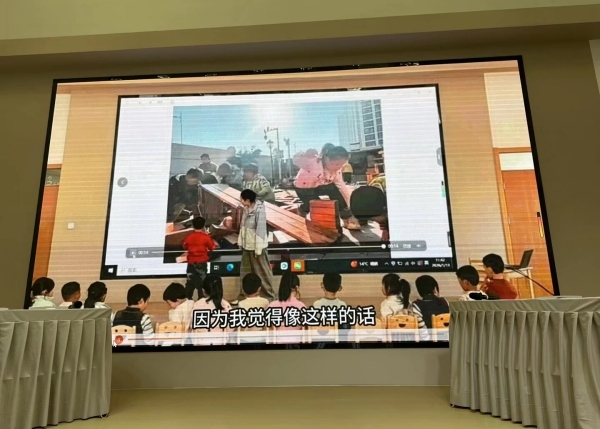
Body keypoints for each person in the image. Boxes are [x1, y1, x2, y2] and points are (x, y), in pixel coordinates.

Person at [293, 145, 361, 230]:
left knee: (336, 191)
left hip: (319, 186)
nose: (339, 167)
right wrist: (303, 156)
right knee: (315, 204)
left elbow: (342, 188)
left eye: (342, 165)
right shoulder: (313, 162)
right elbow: (296, 161)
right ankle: (302, 209)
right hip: (303, 188)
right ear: (326, 159)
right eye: (336, 164)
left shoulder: (337, 171)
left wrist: (350, 206)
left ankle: (347, 218)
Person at [237, 189, 276, 302]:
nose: (240, 201)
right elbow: (242, 227)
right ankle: (243, 296)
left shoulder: (260, 209)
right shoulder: (245, 208)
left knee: (262, 272)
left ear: (248, 200)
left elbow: (261, 230)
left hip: (258, 248)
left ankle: (269, 297)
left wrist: (258, 249)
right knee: (245, 272)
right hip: (247, 246)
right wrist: (241, 242)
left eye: (242, 199)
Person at [380, 274, 428, 341]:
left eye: (382, 285)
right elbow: (418, 321)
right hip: (411, 340)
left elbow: (385, 327)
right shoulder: (408, 301)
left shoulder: (386, 304)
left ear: (388, 288)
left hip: (394, 341)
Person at [191, 276, 232, 344]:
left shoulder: (198, 304)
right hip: (220, 343)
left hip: (200, 343)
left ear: (203, 290)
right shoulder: (225, 304)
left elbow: (192, 325)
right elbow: (230, 328)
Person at [182, 216, 216, 300]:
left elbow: (184, 246)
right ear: (203, 225)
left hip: (191, 263)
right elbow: (212, 247)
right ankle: (201, 298)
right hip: (202, 263)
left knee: (190, 281)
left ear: (193, 225)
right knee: (202, 281)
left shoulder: (189, 236)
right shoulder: (206, 237)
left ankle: (188, 299)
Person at [268, 273, 307, 344]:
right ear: (297, 287)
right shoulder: (302, 306)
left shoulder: (272, 306)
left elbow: (269, 328)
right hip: (296, 345)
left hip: (277, 346)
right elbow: (305, 328)